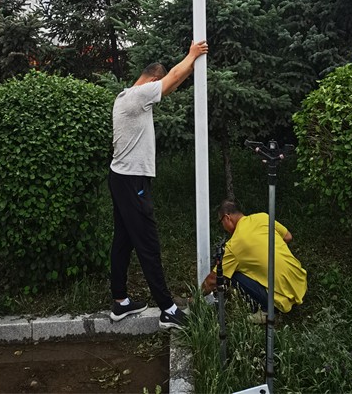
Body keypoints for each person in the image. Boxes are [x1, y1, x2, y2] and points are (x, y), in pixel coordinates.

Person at [109, 40, 208, 330]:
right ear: (152, 80)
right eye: (159, 85)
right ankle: (167, 309)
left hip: (120, 178)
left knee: (123, 240)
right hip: (132, 181)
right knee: (148, 243)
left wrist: (190, 67)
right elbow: (171, 80)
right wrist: (192, 55)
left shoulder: (127, 97)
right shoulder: (139, 95)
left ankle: (120, 302)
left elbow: (172, 83)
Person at [201, 200, 307, 316]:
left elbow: (213, 280)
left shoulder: (234, 245)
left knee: (231, 273)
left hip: (280, 299)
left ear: (227, 218)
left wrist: (195, 298)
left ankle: (269, 310)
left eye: (221, 222)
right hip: (299, 283)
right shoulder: (263, 217)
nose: (223, 226)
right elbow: (288, 237)